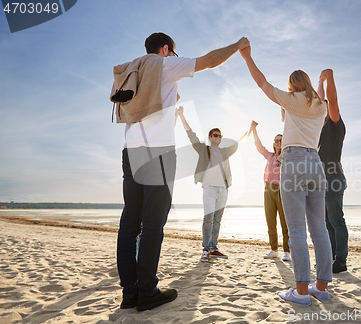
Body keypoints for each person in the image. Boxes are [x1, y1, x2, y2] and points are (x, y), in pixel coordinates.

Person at [112, 32, 250, 311]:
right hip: (158, 154)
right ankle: (147, 292)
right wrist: (237, 46)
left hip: (131, 151)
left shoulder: (130, 68)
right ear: (165, 49)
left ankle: (129, 293)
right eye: (174, 52)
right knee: (152, 225)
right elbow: (209, 61)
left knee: (129, 224)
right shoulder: (162, 64)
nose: (175, 57)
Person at [240, 46, 333, 306]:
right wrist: (319, 84)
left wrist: (247, 56)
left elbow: (262, 83)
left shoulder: (291, 100)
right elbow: (318, 98)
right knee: (319, 228)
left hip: (293, 162)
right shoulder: (320, 106)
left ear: (292, 87)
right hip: (316, 162)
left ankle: (302, 292)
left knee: (296, 231)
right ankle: (322, 288)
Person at [177, 106, 249, 262]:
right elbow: (191, 135)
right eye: (215, 135)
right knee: (208, 219)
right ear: (210, 137)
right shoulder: (204, 149)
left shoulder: (224, 151)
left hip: (223, 190)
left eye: (219, 136)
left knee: (217, 220)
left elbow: (238, 143)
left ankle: (214, 247)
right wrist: (182, 116)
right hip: (209, 189)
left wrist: (251, 129)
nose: (217, 137)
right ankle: (205, 249)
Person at [317, 69, 348, 274]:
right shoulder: (319, 130)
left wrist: (329, 79)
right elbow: (320, 102)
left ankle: (341, 261)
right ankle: (332, 259)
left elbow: (331, 100)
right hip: (321, 180)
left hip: (334, 178)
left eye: (325, 109)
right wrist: (318, 81)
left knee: (336, 220)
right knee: (327, 221)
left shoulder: (335, 126)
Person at [249, 121, 291, 261]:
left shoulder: (288, 156)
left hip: (282, 190)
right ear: (273, 143)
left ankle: (287, 251)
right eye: (277, 140)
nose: (279, 142)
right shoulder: (269, 156)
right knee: (270, 221)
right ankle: (274, 249)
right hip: (268, 190)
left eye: (281, 140)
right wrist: (254, 129)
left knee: (285, 222)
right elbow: (258, 145)